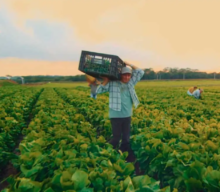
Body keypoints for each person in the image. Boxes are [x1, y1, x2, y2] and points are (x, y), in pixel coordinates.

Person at [96, 61, 144, 173]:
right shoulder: (113, 83)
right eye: (124, 74)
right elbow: (98, 91)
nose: (127, 77)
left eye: (128, 75)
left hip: (127, 115)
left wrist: (128, 63)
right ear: (120, 75)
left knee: (126, 139)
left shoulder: (131, 83)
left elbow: (140, 72)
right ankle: (106, 152)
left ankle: (123, 157)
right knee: (116, 138)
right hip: (116, 116)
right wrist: (106, 80)